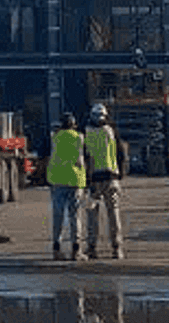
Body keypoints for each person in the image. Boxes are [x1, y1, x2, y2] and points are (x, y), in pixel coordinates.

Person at [84, 102, 126, 259]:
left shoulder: (87, 132)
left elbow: (85, 157)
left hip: (94, 179)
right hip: (111, 178)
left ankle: (92, 248)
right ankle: (117, 248)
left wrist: (85, 181)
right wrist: (120, 174)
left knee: (92, 216)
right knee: (114, 214)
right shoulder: (111, 131)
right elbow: (121, 154)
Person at [47, 111, 86, 261]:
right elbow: (81, 158)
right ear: (74, 125)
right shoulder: (79, 137)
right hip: (75, 180)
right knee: (74, 216)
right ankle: (76, 250)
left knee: (58, 216)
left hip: (57, 180)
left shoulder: (55, 137)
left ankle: (56, 249)